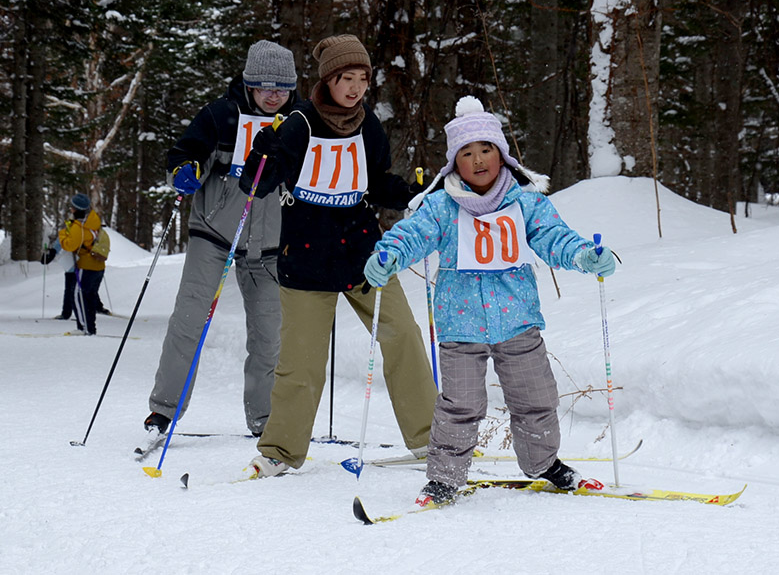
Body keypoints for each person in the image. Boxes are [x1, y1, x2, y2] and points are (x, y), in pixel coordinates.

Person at [363, 96, 617, 506]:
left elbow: (554, 238)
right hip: (460, 326)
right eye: (467, 153)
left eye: (486, 150)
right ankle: (445, 478)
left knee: (536, 398)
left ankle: (543, 463)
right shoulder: (442, 206)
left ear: (501, 155)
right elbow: (413, 234)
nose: (478, 160)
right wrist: (388, 255)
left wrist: (585, 255)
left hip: (518, 320)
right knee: (460, 406)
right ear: (453, 163)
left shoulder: (526, 203)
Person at [238, 34, 437, 477]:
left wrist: (410, 193)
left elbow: (378, 181)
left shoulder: (368, 126)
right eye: (346, 78)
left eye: (362, 79)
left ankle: (431, 440)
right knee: (301, 363)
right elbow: (256, 185)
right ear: (328, 80)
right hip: (306, 259)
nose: (355, 88)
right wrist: (262, 156)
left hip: (364, 256)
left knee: (404, 336)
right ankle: (279, 452)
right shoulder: (299, 123)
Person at [144, 40, 299, 438]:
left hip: (268, 249)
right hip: (214, 236)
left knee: (270, 336)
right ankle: (164, 412)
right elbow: (184, 153)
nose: (273, 96)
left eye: (281, 88)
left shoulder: (299, 123)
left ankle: (265, 420)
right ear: (249, 84)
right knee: (189, 323)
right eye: (264, 87)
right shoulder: (220, 115)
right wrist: (184, 170)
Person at [58, 193, 106, 336]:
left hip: (86, 266)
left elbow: (70, 245)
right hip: (98, 266)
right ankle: (90, 327)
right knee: (90, 297)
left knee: (78, 296)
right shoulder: (93, 221)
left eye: (72, 207)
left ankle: (84, 328)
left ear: (75, 209)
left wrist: (62, 235)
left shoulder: (79, 226)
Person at [41, 236, 110, 319]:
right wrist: (52, 252)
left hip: (83, 264)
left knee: (85, 288)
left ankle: (96, 307)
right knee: (74, 289)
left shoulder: (81, 230)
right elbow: (61, 241)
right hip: (73, 264)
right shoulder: (71, 231)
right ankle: (67, 312)